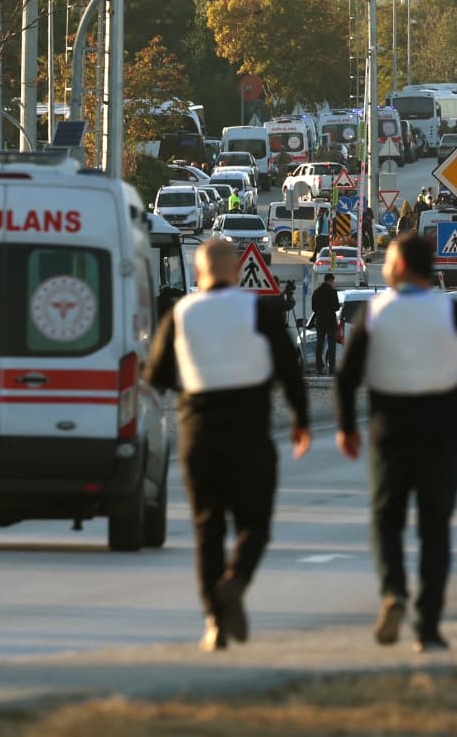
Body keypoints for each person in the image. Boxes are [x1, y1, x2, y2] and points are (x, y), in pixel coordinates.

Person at [335, 230, 457, 652]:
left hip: (390, 429)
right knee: (435, 529)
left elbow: (348, 375)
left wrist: (346, 427)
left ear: (402, 266)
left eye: (388, 260)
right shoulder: (453, 313)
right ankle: (427, 626)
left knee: (386, 519)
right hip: (443, 429)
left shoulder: (376, 312)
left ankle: (394, 592)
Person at [146, 239, 313, 652]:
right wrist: (300, 420)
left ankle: (215, 624)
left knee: (208, 527)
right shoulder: (260, 311)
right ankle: (235, 582)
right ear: (237, 273)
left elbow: (156, 377)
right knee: (255, 523)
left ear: (199, 274)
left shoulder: (181, 314)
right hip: (250, 430)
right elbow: (289, 369)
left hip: (199, 430)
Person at [310, 272, 341, 375]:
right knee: (332, 345)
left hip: (320, 321)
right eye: (333, 281)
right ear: (330, 280)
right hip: (331, 322)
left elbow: (313, 308)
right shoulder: (333, 292)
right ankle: (332, 368)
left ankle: (319, 367)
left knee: (320, 344)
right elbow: (336, 307)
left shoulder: (316, 292)